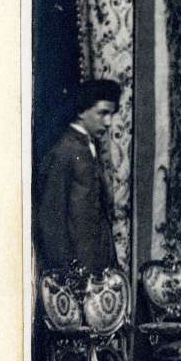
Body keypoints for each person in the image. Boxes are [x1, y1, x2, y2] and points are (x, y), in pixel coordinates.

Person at [33, 79, 121, 276]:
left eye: (111, 114)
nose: (108, 122)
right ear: (81, 111)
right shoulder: (64, 150)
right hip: (75, 271)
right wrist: (65, 274)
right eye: (102, 113)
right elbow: (51, 219)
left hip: (96, 266)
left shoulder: (87, 147)